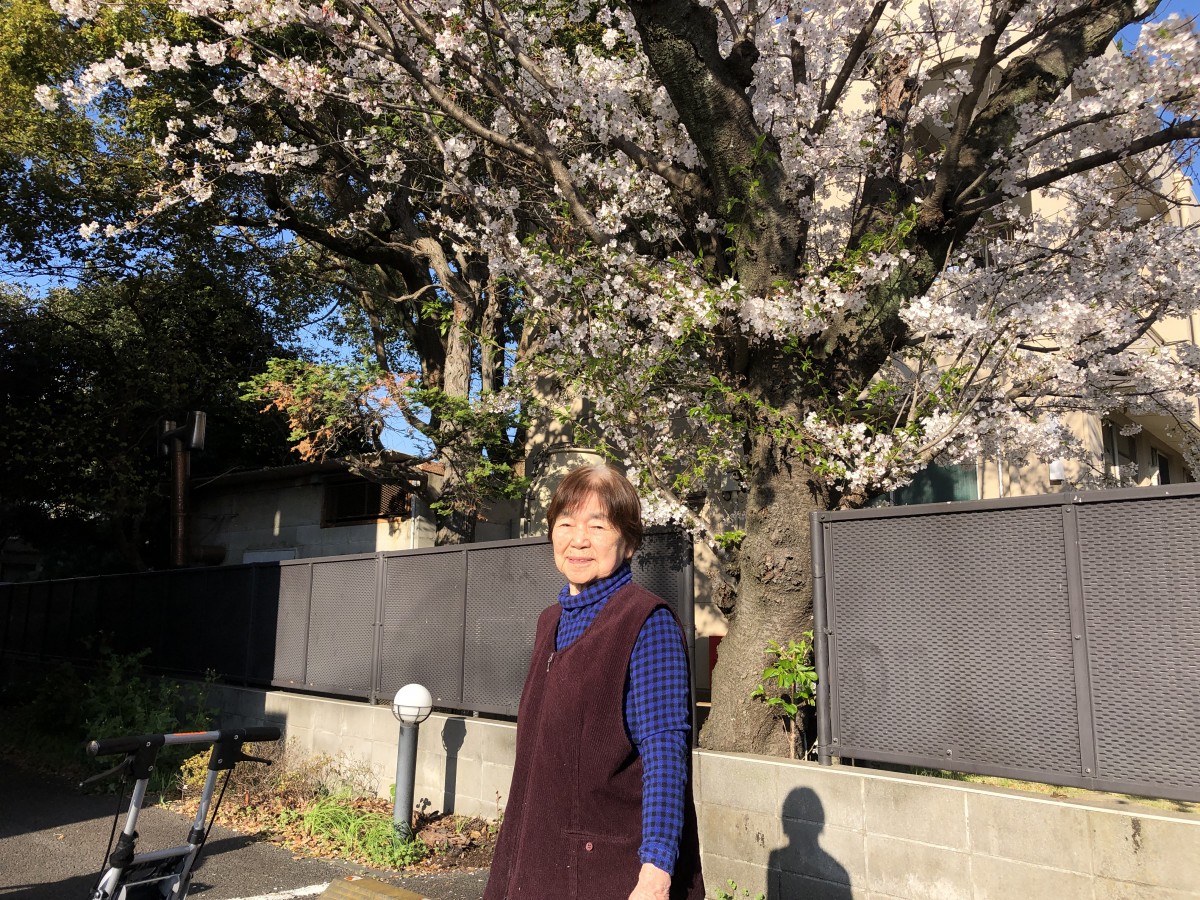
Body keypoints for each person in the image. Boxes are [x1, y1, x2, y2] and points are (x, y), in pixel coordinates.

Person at [483, 465, 705, 900]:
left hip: (608, 870)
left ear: (629, 542)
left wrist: (656, 870)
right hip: (534, 858)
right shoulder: (550, 621)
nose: (578, 539)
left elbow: (664, 752)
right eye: (566, 524)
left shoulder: (646, 621)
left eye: (597, 526)